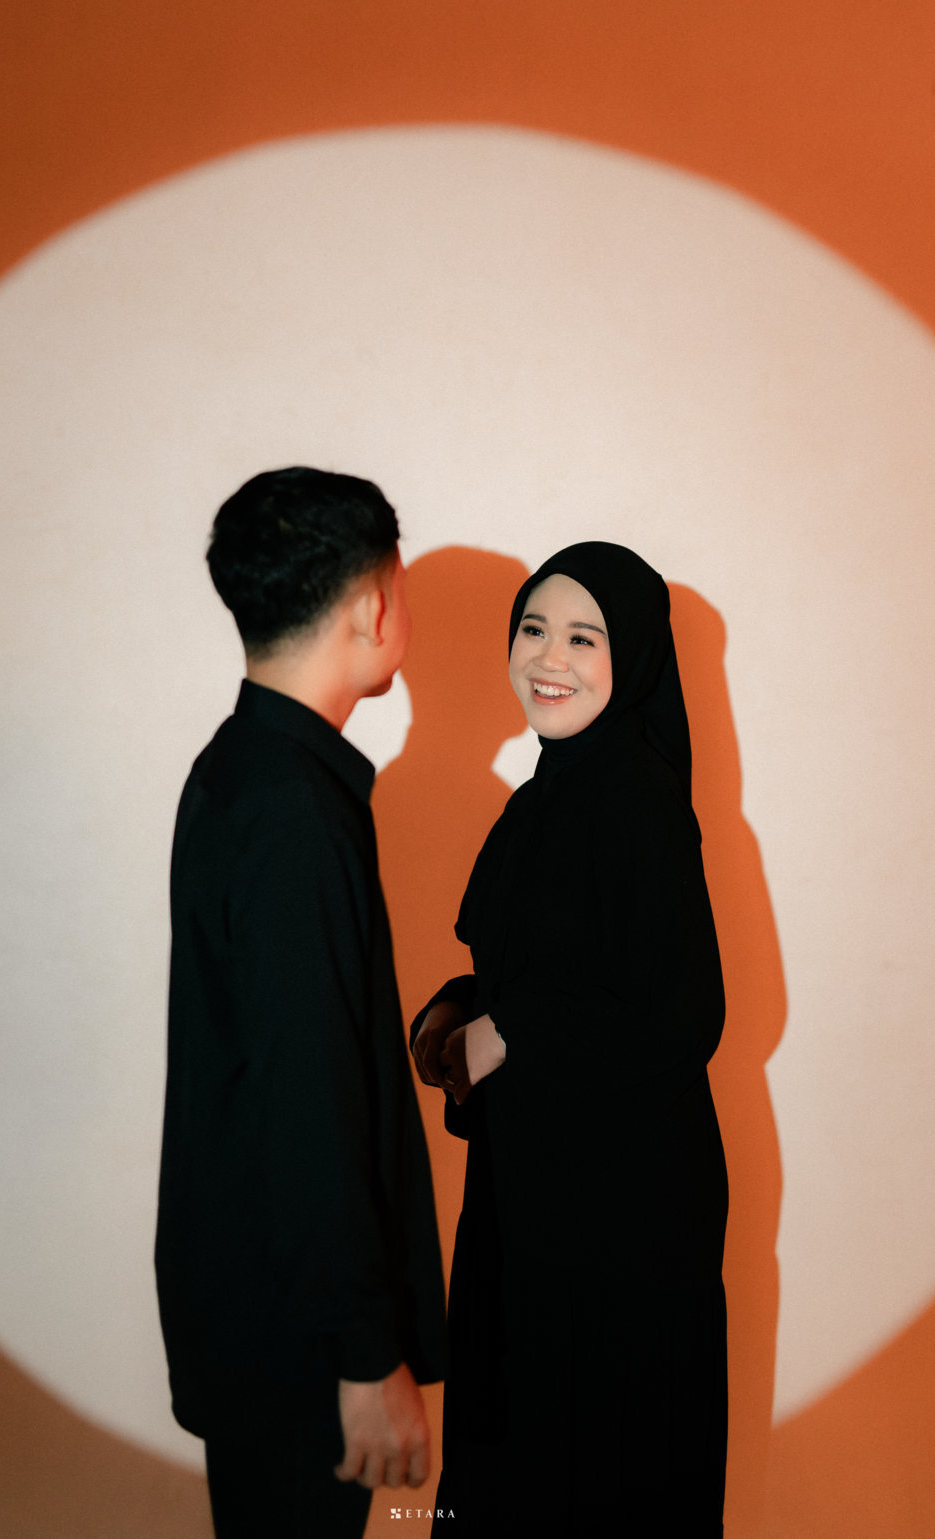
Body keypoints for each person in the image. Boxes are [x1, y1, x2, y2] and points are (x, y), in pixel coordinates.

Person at [412, 543, 728, 1537]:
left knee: (590, 1477)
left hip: (617, 1232)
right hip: (541, 1199)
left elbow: (683, 1011)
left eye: (584, 638)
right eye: (533, 629)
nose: (549, 659)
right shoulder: (546, 797)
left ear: (630, 657)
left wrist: (511, 1031)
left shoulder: (635, 800)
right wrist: (468, 1014)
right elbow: (558, 962)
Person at [155, 466, 446, 1539]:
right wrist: (364, 1354)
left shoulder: (241, 768)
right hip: (297, 1339)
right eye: (401, 587)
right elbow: (306, 1095)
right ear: (371, 605)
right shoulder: (292, 808)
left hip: (255, 1304)